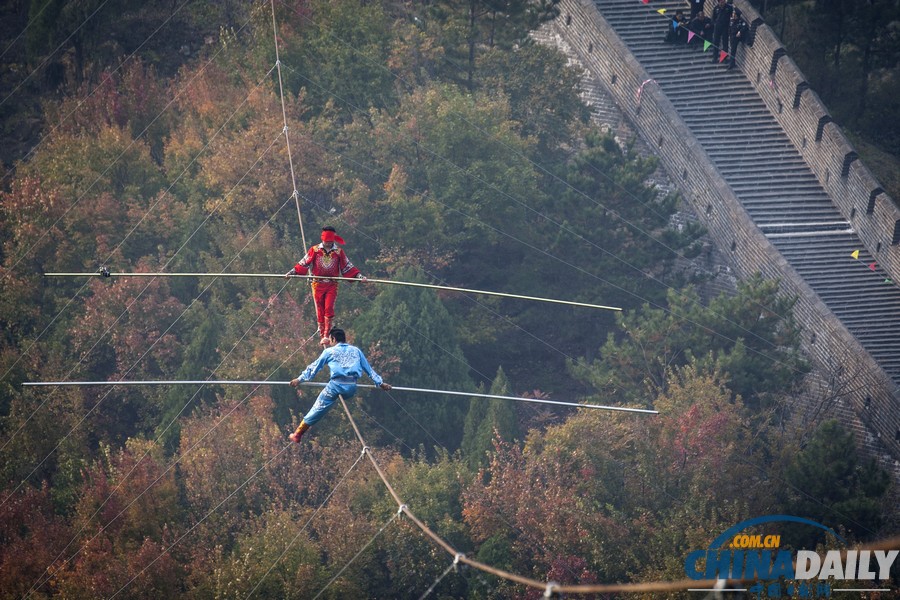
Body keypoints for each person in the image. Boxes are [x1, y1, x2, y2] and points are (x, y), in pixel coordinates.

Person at [288, 328, 391, 442]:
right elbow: (369, 370)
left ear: (333, 338)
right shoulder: (356, 351)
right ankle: (298, 433)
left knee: (318, 407)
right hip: (351, 387)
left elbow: (314, 367)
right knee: (328, 398)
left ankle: (298, 434)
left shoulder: (329, 352)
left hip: (336, 386)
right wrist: (381, 383)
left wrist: (299, 379)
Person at [286, 226, 366, 345]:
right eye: (326, 241)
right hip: (317, 284)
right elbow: (304, 262)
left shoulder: (338, 252)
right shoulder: (315, 250)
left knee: (328, 308)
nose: (328, 244)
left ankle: (326, 335)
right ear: (323, 240)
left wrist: (359, 276)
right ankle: (321, 332)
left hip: (331, 284)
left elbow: (347, 266)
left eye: (330, 242)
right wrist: (292, 272)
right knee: (320, 309)